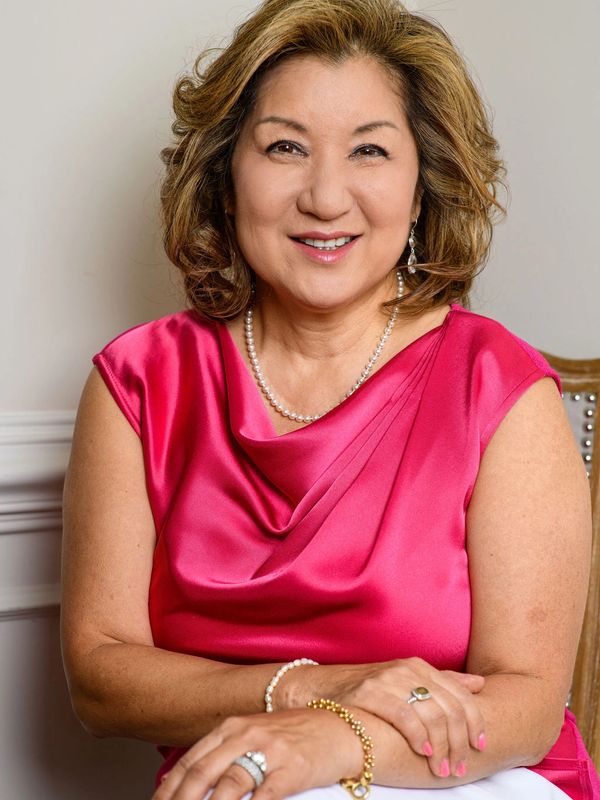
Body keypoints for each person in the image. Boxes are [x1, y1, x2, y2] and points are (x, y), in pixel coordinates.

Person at [60, 1, 600, 799]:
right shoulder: (138, 382)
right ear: (225, 176)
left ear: (421, 190)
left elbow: (524, 707)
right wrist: (310, 692)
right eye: (285, 147)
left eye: (370, 152)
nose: (324, 196)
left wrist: (332, 744)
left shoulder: (498, 386)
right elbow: (100, 681)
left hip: (470, 780)